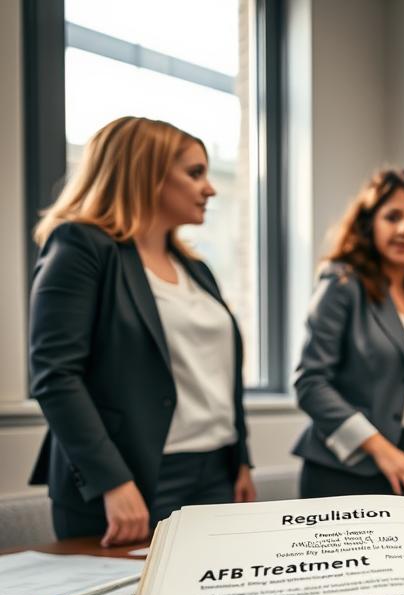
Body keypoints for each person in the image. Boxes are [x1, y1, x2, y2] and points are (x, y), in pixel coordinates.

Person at [29, 116, 255, 547]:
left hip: (214, 472)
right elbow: (55, 375)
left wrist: (240, 460)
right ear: (145, 174)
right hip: (133, 478)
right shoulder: (82, 246)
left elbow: (219, 373)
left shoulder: (197, 269)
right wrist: (112, 481)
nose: (210, 188)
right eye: (195, 173)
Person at [293, 168, 404, 501]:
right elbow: (310, 383)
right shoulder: (342, 284)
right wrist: (383, 451)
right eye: (393, 216)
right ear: (370, 222)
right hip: (352, 468)